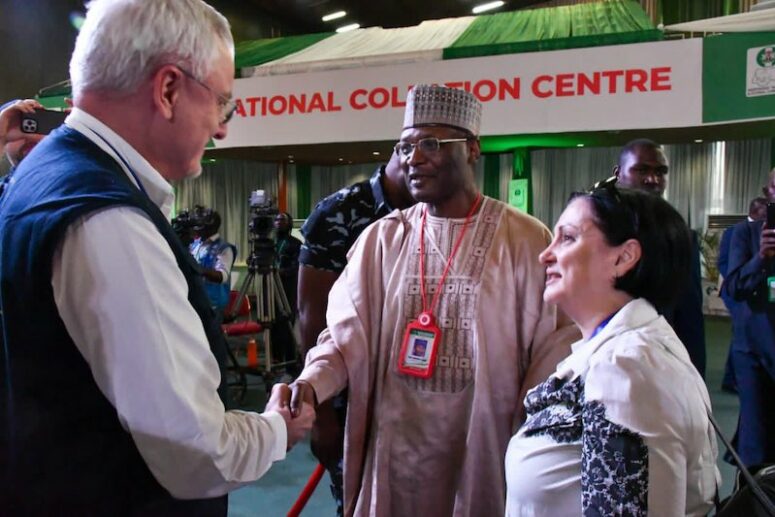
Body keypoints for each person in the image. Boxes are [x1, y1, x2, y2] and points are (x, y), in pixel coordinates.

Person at [0, 1, 314, 514]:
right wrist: (280, 428)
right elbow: (197, 453)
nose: (222, 129)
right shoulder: (109, 221)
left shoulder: (40, 175)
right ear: (168, 89)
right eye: (223, 104)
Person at [286, 84, 572, 516]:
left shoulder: (526, 238)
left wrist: (529, 436)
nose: (413, 159)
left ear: (473, 150)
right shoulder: (382, 240)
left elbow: (554, 346)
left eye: (431, 144)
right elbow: (343, 340)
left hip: (484, 449)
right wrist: (311, 386)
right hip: (396, 451)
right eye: (405, 146)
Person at [505, 179, 719, 516]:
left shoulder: (628, 369)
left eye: (568, 238)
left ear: (624, 257)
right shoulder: (622, 349)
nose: (546, 254)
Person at [296, 149, 415, 516]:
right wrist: (324, 416)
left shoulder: (440, 210)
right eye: (418, 146)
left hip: (418, 398)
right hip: (353, 399)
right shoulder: (339, 213)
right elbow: (312, 318)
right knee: (357, 501)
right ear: (400, 149)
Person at [614, 138, 707, 377]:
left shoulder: (681, 236)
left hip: (660, 362)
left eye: (660, 172)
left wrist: (695, 377)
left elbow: (689, 318)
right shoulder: (597, 231)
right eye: (641, 170)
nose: (652, 179)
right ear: (618, 174)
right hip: (605, 357)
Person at [722, 168, 775, 468]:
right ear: (768, 192)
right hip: (753, 350)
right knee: (756, 440)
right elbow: (733, 288)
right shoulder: (747, 234)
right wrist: (761, 258)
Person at [718, 197, 766, 393]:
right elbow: (723, 262)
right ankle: (732, 378)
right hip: (734, 291)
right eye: (763, 213)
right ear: (754, 211)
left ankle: (733, 377)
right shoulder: (736, 232)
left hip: (756, 292)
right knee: (741, 332)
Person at [190, 208, 236, 321]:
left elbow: (222, 276)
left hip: (213, 306)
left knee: (210, 338)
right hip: (195, 302)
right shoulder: (195, 245)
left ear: (211, 227)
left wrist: (198, 269)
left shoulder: (224, 248)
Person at [271, 211, 302, 367]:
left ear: (289, 224)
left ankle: (290, 359)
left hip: (287, 288)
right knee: (271, 322)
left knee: (286, 321)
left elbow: (298, 267)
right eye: (276, 219)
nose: (278, 222)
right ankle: (274, 357)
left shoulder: (295, 244)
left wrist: (280, 272)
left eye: (282, 219)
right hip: (269, 287)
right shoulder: (269, 244)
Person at [0, 98, 46, 195]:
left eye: (36, 126)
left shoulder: (75, 179)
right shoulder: (3, 191)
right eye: (16, 128)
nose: (28, 136)